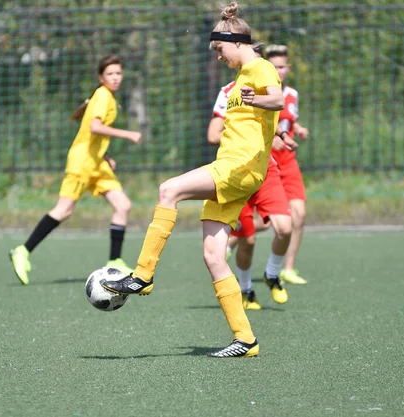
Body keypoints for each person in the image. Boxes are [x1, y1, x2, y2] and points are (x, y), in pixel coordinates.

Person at [102, 2, 283, 358]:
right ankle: (245, 339)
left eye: (219, 49)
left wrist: (259, 100)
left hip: (239, 169)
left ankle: (142, 274)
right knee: (213, 255)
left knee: (169, 188)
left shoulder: (258, 68)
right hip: (232, 167)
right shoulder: (237, 80)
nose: (218, 57)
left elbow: (276, 98)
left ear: (234, 41)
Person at [9, 54, 141, 285]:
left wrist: (106, 155)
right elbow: (95, 127)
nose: (115, 78)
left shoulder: (106, 96)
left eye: (118, 73)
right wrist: (127, 133)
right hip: (82, 162)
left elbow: (92, 133)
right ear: (101, 78)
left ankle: (115, 261)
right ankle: (23, 250)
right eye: (110, 74)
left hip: (96, 163)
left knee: (123, 205)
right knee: (63, 210)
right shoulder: (102, 96)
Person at [207, 70, 296, 310]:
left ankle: (272, 273)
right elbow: (213, 134)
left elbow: (274, 121)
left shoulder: (265, 89)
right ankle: (246, 290)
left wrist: (283, 135)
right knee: (248, 240)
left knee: (285, 227)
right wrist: (244, 133)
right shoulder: (228, 92)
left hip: (266, 169)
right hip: (237, 173)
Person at [264, 44, 310, 285]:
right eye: (273, 67)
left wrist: (299, 129)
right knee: (260, 224)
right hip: (266, 163)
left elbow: (290, 120)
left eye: (281, 67)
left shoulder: (292, 94)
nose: (278, 71)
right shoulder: (260, 94)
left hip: (289, 162)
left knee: (299, 215)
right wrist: (272, 141)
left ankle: (287, 269)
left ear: (288, 69)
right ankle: (231, 244)